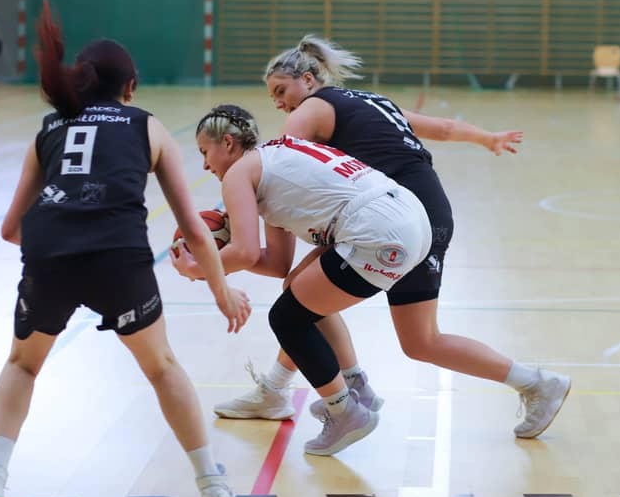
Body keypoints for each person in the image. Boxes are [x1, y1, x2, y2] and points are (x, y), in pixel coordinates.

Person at [0, 0, 251, 497]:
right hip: (119, 255)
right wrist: (222, 291)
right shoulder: (148, 127)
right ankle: (211, 483)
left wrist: (57, 243)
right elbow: (193, 228)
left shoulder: (48, 128)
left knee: (23, 364)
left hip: (49, 252)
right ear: (131, 87)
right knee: (161, 367)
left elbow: (10, 229)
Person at [210, 35, 570, 440]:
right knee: (420, 341)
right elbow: (444, 128)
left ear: (308, 80)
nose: (278, 103)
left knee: (298, 300)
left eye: (281, 91)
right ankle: (537, 383)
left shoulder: (310, 110)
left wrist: (230, 211)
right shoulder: (372, 100)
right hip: (427, 211)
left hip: (393, 216)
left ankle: (297, 390)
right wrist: (486, 137)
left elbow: (279, 169)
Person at [172, 105, 431, 455]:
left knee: (287, 318)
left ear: (228, 143)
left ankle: (345, 412)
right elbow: (277, 263)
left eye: (205, 152)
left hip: (377, 231)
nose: (205, 164)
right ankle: (355, 386)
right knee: (297, 288)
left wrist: (199, 268)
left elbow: (244, 252)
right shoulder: (272, 160)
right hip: (408, 215)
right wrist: (218, 263)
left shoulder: (238, 175)